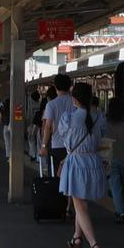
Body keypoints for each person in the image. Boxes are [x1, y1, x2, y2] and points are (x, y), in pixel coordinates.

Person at [58, 82, 109, 248]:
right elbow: (102, 137)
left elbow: (64, 138)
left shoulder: (68, 119)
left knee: (80, 206)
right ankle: (76, 238)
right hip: (93, 162)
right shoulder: (98, 118)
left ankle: (94, 245)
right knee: (81, 203)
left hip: (76, 163)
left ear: (75, 99)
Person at [40, 74, 75, 213]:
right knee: (72, 177)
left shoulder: (51, 104)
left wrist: (43, 146)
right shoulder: (75, 102)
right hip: (73, 147)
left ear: (55, 87)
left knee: (59, 177)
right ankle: (70, 205)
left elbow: (48, 126)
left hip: (57, 145)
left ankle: (59, 204)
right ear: (70, 86)